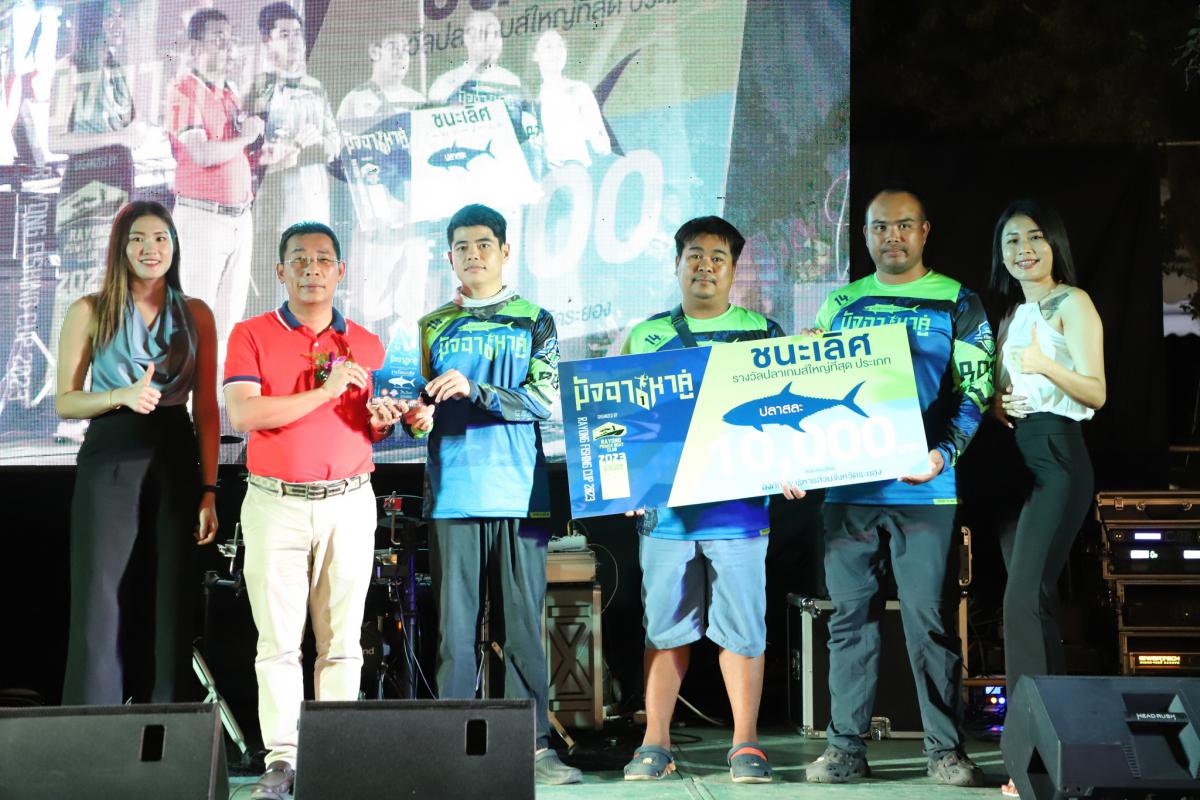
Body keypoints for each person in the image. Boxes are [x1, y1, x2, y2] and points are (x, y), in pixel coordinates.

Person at [804, 188, 992, 786]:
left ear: (924, 231)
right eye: (880, 226)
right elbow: (808, 383)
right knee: (848, 619)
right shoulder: (841, 303)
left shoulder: (958, 300)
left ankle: (944, 751)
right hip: (848, 491)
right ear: (864, 234)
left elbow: (977, 389)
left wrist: (942, 454)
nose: (892, 236)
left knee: (928, 621)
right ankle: (844, 749)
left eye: (904, 225)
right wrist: (795, 457)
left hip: (926, 490)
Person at [400, 204, 579, 785]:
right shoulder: (430, 325)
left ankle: (535, 747)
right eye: (461, 246)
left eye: (483, 244)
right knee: (454, 632)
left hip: (522, 492)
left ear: (505, 251)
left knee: (523, 627)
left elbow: (543, 400)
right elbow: (415, 412)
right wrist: (416, 420)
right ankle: (453, 746)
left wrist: (475, 390)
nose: (472, 254)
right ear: (448, 257)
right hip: (452, 491)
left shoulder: (536, 319)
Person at [223, 220, 401, 800]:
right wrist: (324, 392)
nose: (311, 269)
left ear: (340, 271)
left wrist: (385, 420)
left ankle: (335, 757)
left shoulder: (368, 345)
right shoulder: (250, 334)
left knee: (343, 640)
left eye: (323, 259)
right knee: (277, 642)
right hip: (275, 502)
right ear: (280, 270)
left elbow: (373, 424)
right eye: (299, 259)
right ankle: (283, 760)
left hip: (349, 502)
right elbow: (245, 414)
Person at [620, 216, 801, 785]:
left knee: (743, 630)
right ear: (677, 265)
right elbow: (621, 418)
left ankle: (746, 743)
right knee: (664, 629)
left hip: (740, 511)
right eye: (694, 255)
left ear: (733, 268)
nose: (705, 266)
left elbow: (784, 412)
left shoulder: (764, 332)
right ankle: (655, 742)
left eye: (718, 257)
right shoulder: (646, 335)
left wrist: (798, 462)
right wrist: (625, 482)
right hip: (666, 514)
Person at [56, 200, 219, 705]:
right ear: (121, 248)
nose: (151, 249)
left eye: (161, 238)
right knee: (99, 597)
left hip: (175, 454)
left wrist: (209, 489)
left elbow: (206, 409)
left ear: (175, 246)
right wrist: (118, 397)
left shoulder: (196, 312)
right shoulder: (89, 309)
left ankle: (169, 725)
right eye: (139, 239)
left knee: (173, 596)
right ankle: (91, 727)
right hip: (110, 453)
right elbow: (65, 401)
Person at [991, 199, 1105, 798]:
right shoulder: (1012, 313)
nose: (1024, 250)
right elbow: (1009, 390)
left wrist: (1043, 364)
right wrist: (999, 404)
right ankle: (1058, 755)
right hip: (1019, 458)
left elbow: (1096, 391)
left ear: (1054, 243)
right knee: (1031, 602)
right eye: (1012, 241)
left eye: (1035, 237)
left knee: (1020, 601)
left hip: (1059, 455)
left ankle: (1025, 759)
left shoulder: (1073, 303)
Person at [47, 0, 145, 444]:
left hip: (119, 188)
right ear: (93, 22)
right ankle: (70, 411)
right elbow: (55, 139)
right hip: (85, 195)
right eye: (110, 16)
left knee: (114, 298)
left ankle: (105, 404)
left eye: (121, 16)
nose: (118, 24)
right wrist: (118, 136)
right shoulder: (69, 69)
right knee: (80, 300)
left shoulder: (119, 69)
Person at [166, 7, 263, 345]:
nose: (228, 46)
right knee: (195, 320)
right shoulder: (183, 91)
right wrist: (246, 137)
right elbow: (203, 154)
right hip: (202, 219)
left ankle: (217, 381)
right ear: (194, 48)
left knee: (228, 323)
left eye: (230, 39)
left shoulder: (230, 92)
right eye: (218, 39)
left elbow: (237, 152)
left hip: (239, 218)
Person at [245, 2, 340, 317]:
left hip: (314, 202)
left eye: (297, 33)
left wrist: (317, 145)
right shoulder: (259, 88)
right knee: (275, 294)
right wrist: (294, 147)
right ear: (266, 40)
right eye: (284, 34)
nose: (294, 41)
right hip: (276, 211)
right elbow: (255, 152)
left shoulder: (316, 87)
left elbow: (334, 144)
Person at [335, 25, 426, 341]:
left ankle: (405, 359)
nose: (402, 55)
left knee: (411, 296)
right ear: (374, 52)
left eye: (406, 49)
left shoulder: (418, 100)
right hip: (375, 213)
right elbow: (344, 161)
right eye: (393, 47)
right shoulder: (356, 100)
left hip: (412, 212)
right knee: (371, 297)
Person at [531, 30, 610, 169]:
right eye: (548, 46)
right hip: (541, 173)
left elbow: (602, 145)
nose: (556, 52)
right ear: (535, 55)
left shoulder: (579, 89)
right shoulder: (530, 97)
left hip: (575, 170)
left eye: (560, 45)